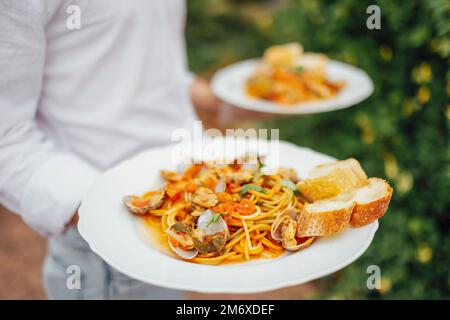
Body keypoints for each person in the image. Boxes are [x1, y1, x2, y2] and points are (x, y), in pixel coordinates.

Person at [0, 0, 222, 299]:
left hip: (181, 212)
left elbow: (149, 59)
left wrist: (224, 99)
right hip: (105, 257)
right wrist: (112, 216)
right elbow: (6, 137)